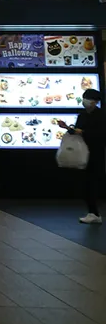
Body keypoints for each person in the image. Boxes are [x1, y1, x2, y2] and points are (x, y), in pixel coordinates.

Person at [58, 88, 106, 224]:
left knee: (92, 182)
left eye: (90, 99)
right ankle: (92, 212)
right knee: (86, 183)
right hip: (82, 151)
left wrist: (83, 132)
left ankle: (94, 213)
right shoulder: (82, 115)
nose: (87, 102)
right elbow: (77, 131)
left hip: (96, 152)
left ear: (96, 102)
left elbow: (100, 135)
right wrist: (67, 128)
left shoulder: (101, 115)